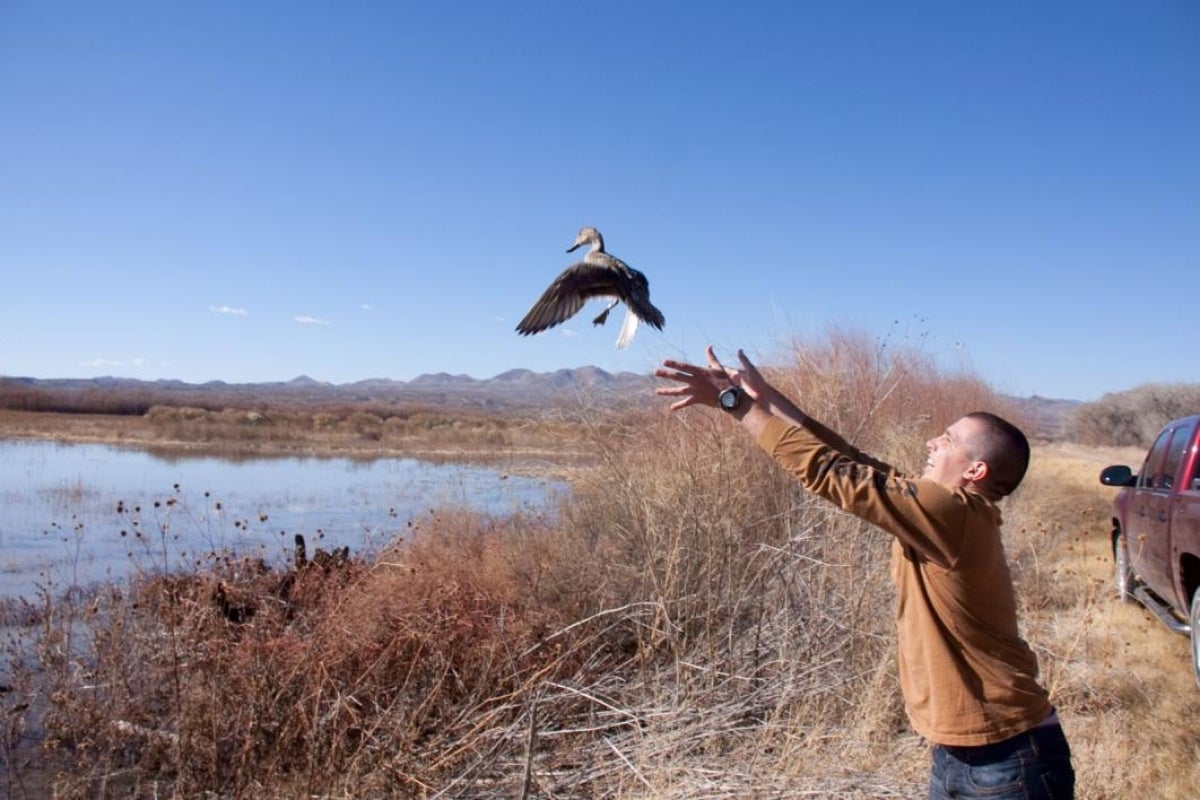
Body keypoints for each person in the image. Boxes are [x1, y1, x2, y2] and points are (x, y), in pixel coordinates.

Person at [655, 346, 1075, 800]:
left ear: (975, 469)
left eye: (948, 440)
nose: (932, 443)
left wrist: (735, 405)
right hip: (964, 755)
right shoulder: (944, 513)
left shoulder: (952, 513)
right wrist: (766, 397)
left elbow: (832, 474)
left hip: (1009, 758)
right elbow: (853, 462)